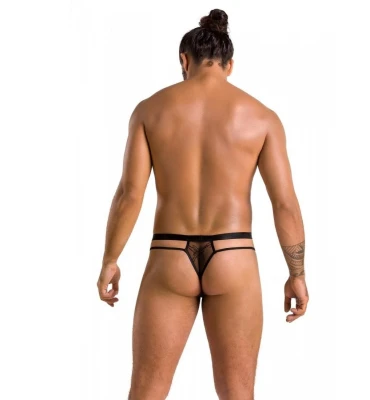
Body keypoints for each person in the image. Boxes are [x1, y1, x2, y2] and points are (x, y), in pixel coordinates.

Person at [97, 8, 309, 400]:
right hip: (234, 254)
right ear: (230, 65)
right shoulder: (262, 117)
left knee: (146, 390)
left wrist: (110, 259)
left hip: (169, 254)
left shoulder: (149, 110)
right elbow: (285, 205)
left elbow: (130, 195)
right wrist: (296, 273)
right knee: (237, 393)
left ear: (184, 60)